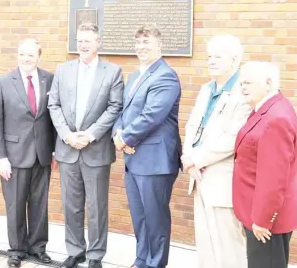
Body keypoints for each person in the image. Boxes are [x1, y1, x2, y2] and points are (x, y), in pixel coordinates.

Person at [48, 22, 123, 268]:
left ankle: (95, 255)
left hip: (96, 149)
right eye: (79, 40)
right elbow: (54, 105)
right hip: (67, 148)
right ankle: (75, 250)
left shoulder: (112, 71)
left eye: (88, 40)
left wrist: (90, 135)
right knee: (71, 204)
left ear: (98, 42)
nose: (83, 44)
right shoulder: (63, 70)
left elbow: (114, 107)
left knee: (97, 206)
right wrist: (67, 135)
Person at [113, 25, 182, 268]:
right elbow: (123, 112)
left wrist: (126, 138)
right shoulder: (135, 76)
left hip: (155, 161)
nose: (141, 46)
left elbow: (152, 115)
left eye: (147, 42)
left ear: (159, 45)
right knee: (140, 218)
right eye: (138, 41)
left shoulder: (165, 75)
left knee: (156, 220)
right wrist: (117, 135)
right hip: (134, 159)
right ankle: (141, 260)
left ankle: (155, 264)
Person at [181, 34, 251, 268]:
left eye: (217, 56)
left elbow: (233, 137)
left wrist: (196, 160)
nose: (210, 61)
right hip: (198, 176)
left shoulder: (243, 92)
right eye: (209, 56)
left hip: (222, 180)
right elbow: (191, 126)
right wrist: (187, 156)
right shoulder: (206, 89)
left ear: (234, 60)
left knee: (228, 249)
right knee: (206, 246)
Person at [0, 38, 55, 268]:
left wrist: (54, 151)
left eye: (31, 55)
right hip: (13, 156)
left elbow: (52, 118)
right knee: (15, 205)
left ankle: (38, 248)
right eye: (22, 54)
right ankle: (16, 250)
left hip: (42, 155)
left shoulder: (49, 79)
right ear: (18, 55)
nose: (26, 59)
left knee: (39, 204)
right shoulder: (3, 82)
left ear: (39, 56)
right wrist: (0, 157)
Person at [233, 61, 297, 268]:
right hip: (259, 214)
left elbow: (274, 177)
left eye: (248, 83)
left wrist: (262, 219)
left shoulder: (275, 117)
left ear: (268, 83)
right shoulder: (266, 108)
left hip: (266, 222)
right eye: (241, 83)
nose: (242, 87)